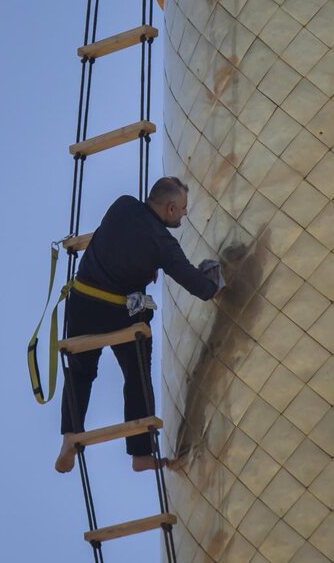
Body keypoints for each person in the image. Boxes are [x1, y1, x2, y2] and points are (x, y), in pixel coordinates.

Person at [55, 176, 222, 473]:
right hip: (117, 311)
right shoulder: (162, 244)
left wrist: (145, 267)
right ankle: (141, 453)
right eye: (183, 208)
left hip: (81, 303)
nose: (185, 213)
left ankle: (69, 438)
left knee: (80, 373)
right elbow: (200, 288)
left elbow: (117, 243)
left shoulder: (122, 205)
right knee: (137, 372)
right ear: (170, 208)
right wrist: (213, 277)